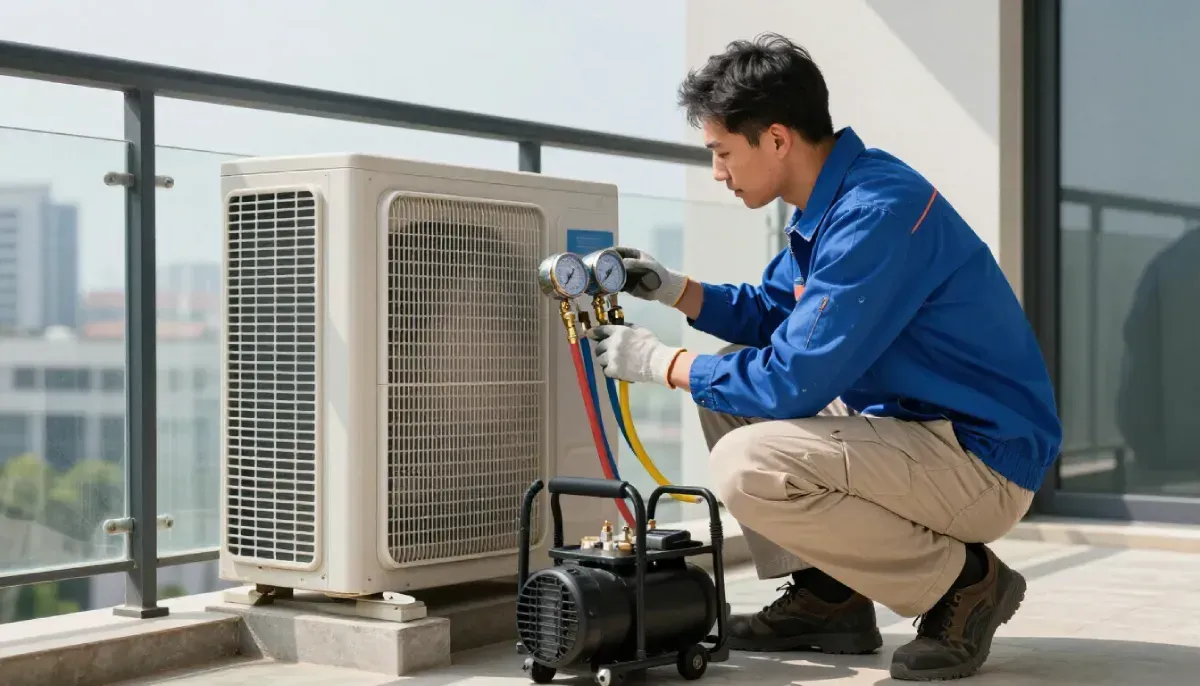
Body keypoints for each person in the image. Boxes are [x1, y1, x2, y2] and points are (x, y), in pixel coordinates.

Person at [588, 33, 1062, 681]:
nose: (718, 173)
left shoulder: (875, 214)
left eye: (723, 153)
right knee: (730, 396)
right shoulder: (837, 201)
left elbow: (794, 381)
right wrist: (678, 290)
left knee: (744, 462)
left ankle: (967, 584)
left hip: (980, 458)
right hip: (920, 432)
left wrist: (663, 365)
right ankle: (828, 598)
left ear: (776, 139)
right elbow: (770, 312)